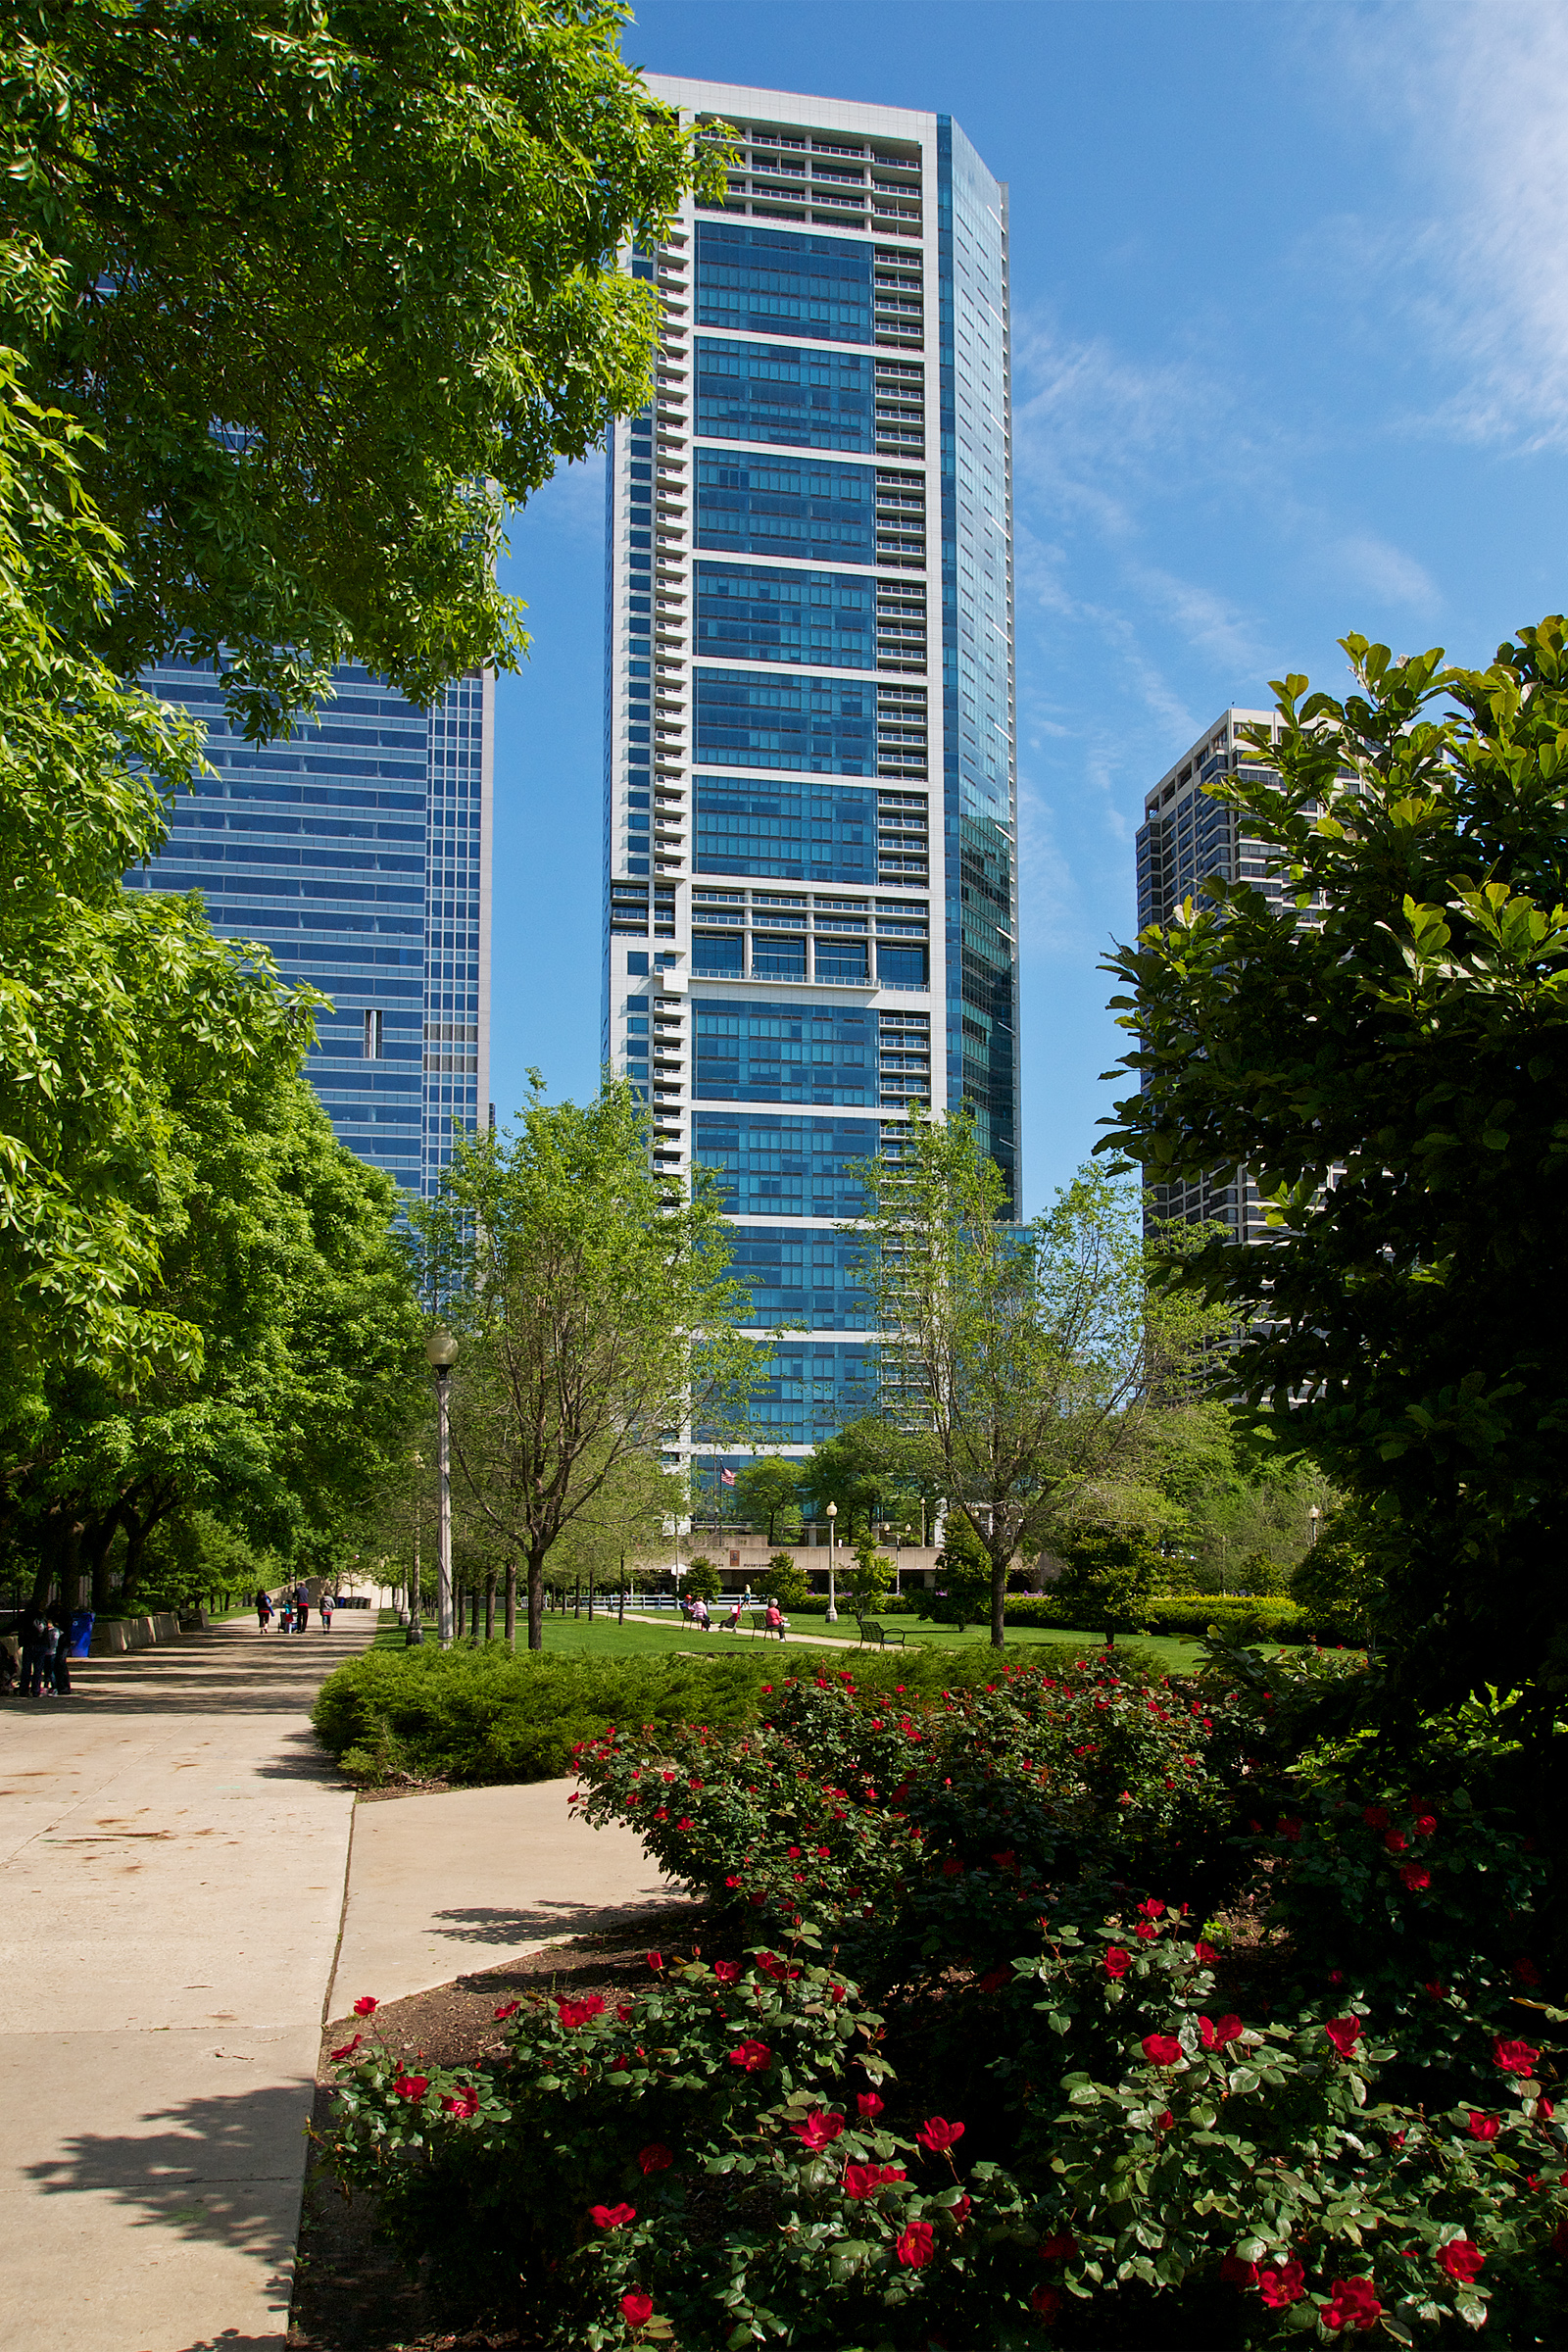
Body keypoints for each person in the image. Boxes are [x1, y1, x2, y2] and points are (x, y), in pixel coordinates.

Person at [20, 1606, 54, 1696]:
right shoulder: (43, 1619)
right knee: (38, 1669)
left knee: (26, 1668)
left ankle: (24, 1690)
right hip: (41, 1645)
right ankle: (36, 1690)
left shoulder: (27, 1618)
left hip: (29, 1645)